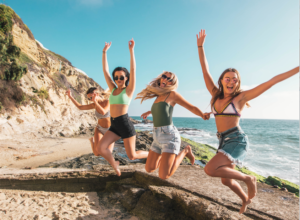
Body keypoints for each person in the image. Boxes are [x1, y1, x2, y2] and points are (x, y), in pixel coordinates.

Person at [197, 29, 299, 214]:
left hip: (236, 139)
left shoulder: (241, 98)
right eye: (227, 78)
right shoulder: (214, 94)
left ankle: (249, 179)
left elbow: (272, 81)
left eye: (234, 80)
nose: (231, 82)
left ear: (237, 83)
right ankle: (245, 200)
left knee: (210, 170)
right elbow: (205, 70)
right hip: (222, 139)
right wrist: (200, 46)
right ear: (221, 80)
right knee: (226, 180)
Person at [136, 71, 210, 179]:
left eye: (169, 79)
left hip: (169, 136)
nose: (165, 80)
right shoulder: (159, 95)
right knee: (149, 168)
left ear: (172, 83)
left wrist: (202, 115)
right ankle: (166, 157)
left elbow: (191, 107)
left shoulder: (172, 94)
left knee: (164, 175)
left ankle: (185, 151)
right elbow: (162, 109)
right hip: (156, 136)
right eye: (164, 77)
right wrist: (149, 112)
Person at [94, 39, 149, 176]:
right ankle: (115, 164)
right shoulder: (112, 89)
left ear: (126, 78)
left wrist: (131, 51)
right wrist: (104, 52)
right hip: (114, 125)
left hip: (125, 124)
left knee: (132, 156)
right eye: (116, 77)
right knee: (101, 148)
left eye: (122, 77)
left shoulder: (129, 90)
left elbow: (133, 69)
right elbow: (105, 71)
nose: (118, 79)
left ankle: (154, 153)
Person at [66, 88, 111, 155]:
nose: (90, 100)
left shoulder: (107, 102)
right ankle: (91, 141)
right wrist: (70, 97)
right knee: (96, 153)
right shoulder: (94, 105)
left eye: (91, 97)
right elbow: (80, 107)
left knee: (107, 152)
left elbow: (103, 112)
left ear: (97, 94)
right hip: (99, 129)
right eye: (89, 99)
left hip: (110, 130)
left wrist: (95, 102)